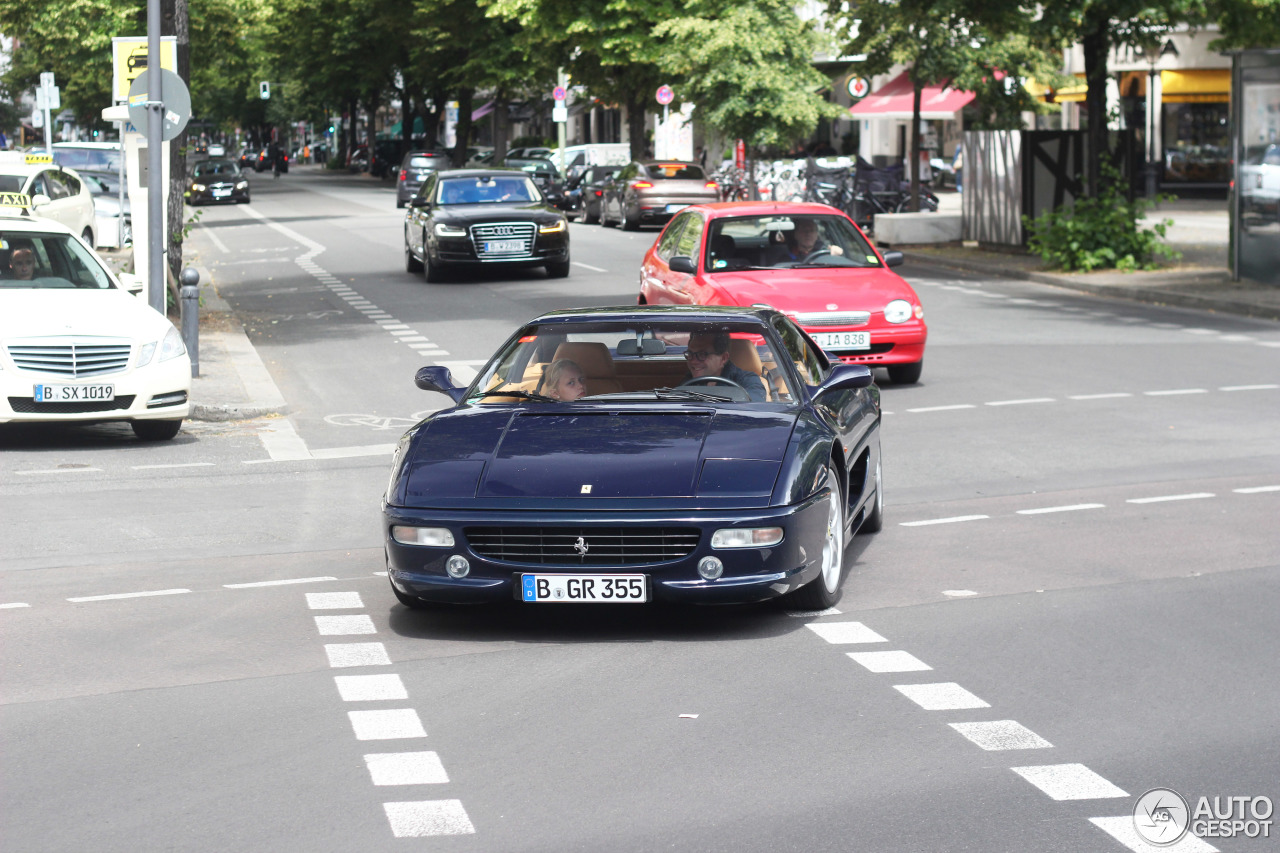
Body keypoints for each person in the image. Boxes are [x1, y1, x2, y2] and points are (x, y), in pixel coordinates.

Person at [682, 332, 766, 402]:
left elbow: (754, 409)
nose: (693, 361)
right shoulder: (688, 380)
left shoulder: (747, 381)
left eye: (702, 354)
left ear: (723, 358)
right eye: (690, 354)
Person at [767, 217, 842, 265]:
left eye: (811, 231)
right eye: (804, 230)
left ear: (816, 236)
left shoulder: (826, 253)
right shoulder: (786, 257)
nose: (808, 234)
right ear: (796, 235)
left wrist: (837, 254)